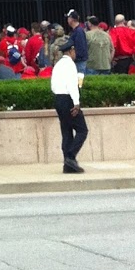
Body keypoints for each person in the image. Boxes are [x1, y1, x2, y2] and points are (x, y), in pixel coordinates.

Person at [50, 41, 88, 174]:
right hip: (68, 99)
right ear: (71, 51)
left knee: (66, 132)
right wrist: (76, 103)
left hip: (58, 98)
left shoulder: (58, 64)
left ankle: (67, 164)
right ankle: (70, 157)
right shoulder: (70, 65)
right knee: (82, 130)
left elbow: (53, 85)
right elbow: (72, 85)